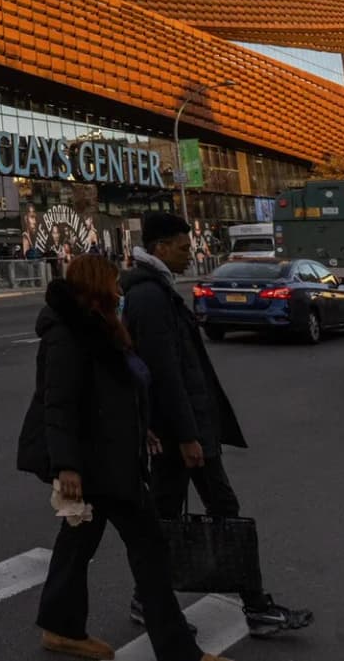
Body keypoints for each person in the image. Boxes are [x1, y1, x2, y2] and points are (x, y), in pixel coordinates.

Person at [17, 254, 223, 661]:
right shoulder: (68, 333)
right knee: (149, 550)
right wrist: (67, 466)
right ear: (96, 289)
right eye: (113, 283)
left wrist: (140, 426)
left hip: (109, 455)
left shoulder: (100, 326)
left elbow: (113, 392)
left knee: (78, 544)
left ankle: (61, 627)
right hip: (98, 464)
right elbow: (59, 404)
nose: (119, 289)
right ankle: (179, 652)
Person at [123, 212, 312, 637]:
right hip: (183, 435)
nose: (190, 255)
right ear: (159, 247)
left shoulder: (155, 290)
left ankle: (151, 598)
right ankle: (253, 607)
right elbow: (165, 373)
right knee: (219, 512)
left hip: (183, 430)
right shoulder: (150, 296)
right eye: (183, 247)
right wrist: (189, 436)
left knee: (173, 517)